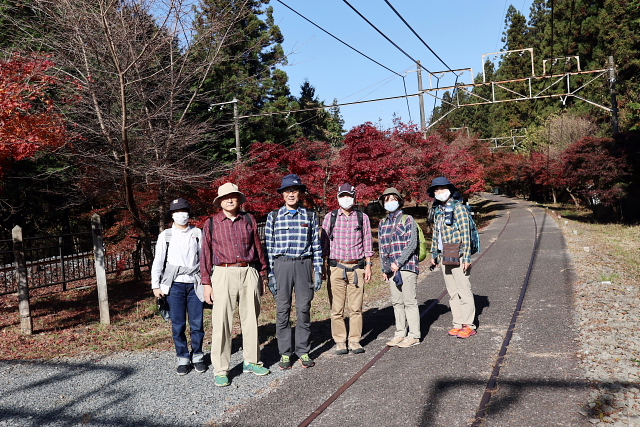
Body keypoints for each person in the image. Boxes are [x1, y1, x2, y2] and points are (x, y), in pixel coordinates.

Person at [200, 183, 270, 387]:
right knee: (222, 323)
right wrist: (206, 283)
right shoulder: (211, 223)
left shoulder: (248, 219)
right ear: (220, 201)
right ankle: (221, 369)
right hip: (223, 273)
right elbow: (205, 254)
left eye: (233, 196)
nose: (230, 200)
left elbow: (258, 247)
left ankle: (252, 361)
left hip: (249, 271)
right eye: (226, 197)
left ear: (239, 199)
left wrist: (263, 274)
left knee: (251, 320)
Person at [265, 174, 323, 369]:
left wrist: (318, 271)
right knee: (283, 311)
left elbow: (316, 244)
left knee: (303, 310)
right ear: (282, 194)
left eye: (295, 190)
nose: (291, 194)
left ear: (300, 193)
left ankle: (303, 351)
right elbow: (269, 249)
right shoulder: (273, 216)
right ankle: (285, 353)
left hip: (304, 265)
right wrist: (271, 274)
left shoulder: (310, 216)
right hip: (282, 265)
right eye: (287, 191)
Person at [151, 198, 205, 375]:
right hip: (174, 286)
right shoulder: (165, 235)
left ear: (189, 213)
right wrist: (155, 285)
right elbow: (158, 262)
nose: (181, 215)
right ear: (172, 215)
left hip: (195, 283)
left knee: (197, 323)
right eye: (177, 211)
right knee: (178, 324)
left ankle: (198, 355)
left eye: (184, 211)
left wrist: (207, 282)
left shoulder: (197, 233)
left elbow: (204, 259)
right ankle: (182, 357)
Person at [321, 183, 374, 355]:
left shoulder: (362, 218)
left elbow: (367, 242)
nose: (346, 199)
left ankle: (355, 340)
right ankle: (340, 341)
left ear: (354, 197)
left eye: (348, 196)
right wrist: (322, 265)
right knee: (337, 309)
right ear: (337, 197)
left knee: (356, 308)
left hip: (357, 267)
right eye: (342, 196)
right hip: (336, 266)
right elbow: (324, 243)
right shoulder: (331, 217)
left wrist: (368, 265)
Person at [428, 177, 476, 339]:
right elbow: (436, 234)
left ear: (449, 190)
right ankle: (457, 323)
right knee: (452, 292)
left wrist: (467, 257)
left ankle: (469, 324)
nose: (439, 192)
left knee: (464, 289)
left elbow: (466, 235)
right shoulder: (438, 211)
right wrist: (434, 253)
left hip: (459, 253)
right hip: (444, 255)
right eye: (436, 190)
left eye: (442, 189)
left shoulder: (459, 209)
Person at [378, 187, 421, 348]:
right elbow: (383, 248)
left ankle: (414, 335)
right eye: (387, 199)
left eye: (393, 199)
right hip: (392, 270)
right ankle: (400, 332)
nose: (390, 202)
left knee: (409, 301)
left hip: (407, 266)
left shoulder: (407, 219)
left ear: (399, 200)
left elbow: (412, 243)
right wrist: (385, 268)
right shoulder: (382, 223)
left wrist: (399, 262)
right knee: (397, 302)